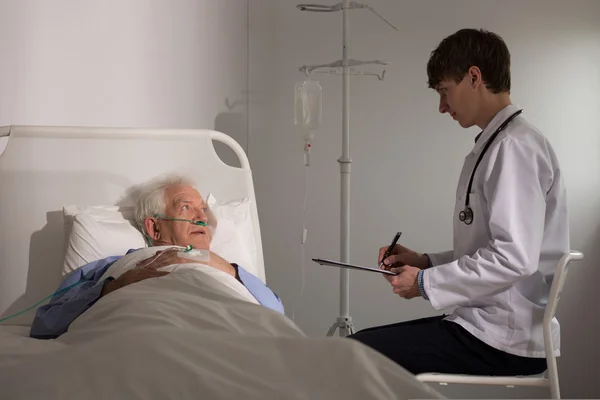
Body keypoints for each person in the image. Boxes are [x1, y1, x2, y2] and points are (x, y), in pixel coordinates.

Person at [348, 28, 569, 376]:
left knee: (355, 353)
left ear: (474, 77)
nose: (441, 107)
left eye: (444, 91)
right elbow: (492, 248)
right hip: (490, 324)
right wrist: (425, 262)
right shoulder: (498, 144)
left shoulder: (515, 148)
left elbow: (513, 259)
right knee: (356, 346)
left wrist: (424, 283)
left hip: (504, 337)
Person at [30, 175, 283, 339]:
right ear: (155, 228)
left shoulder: (231, 271)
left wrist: (225, 268)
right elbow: (44, 325)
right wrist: (114, 287)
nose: (202, 218)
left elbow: (276, 314)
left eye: (203, 210)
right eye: (186, 207)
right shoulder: (109, 269)